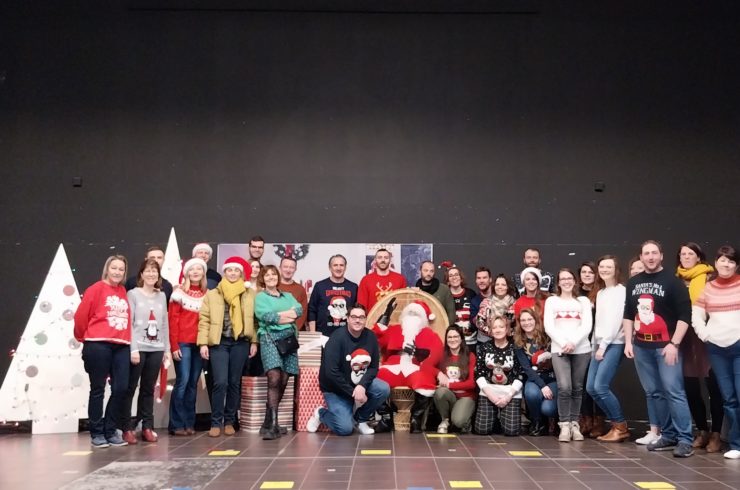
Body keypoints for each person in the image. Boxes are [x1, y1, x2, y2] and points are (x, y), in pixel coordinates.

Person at [623, 240, 694, 458]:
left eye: (654, 253)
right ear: (641, 257)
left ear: (661, 256)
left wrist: (674, 343)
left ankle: (685, 439)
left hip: (666, 348)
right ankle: (668, 435)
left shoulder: (673, 282)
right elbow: (628, 314)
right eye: (646, 253)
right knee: (654, 392)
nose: (651, 257)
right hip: (641, 347)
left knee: (674, 392)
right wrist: (628, 342)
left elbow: (685, 316)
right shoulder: (633, 282)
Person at [74, 255, 131, 448]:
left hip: (121, 345)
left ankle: (110, 429)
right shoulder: (95, 289)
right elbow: (81, 316)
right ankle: (97, 432)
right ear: (107, 269)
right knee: (98, 389)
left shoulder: (123, 290)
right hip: (98, 344)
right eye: (114, 268)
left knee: (121, 388)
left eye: (121, 269)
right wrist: (83, 338)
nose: (117, 272)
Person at [306, 304, 390, 435]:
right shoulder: (336, 338)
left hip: (357, 382)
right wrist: (353, 392)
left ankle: (361, 419)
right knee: (344, 429)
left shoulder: (371, 337)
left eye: (361, 317)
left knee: (383, 389)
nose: (358, 320)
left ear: (365, 319)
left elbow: (373, 367)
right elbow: (331, 373)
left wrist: (362, 386)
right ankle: (321, 414)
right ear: (347, 318)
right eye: (354, 317)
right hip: (336, 389)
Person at [198, 256, 257, 437]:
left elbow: (255, 321)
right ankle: (216, 422)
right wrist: (203, 343)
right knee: (220, 382)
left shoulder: (249, 294)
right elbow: (204, 320)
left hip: (240, 342)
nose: (232, 273)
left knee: (234, 383)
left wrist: (254, 341)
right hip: (219, 343)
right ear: (224, 272)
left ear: (241, 273)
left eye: (236, 270)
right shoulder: (212, 294)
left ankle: (230, 421)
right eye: (229, 270)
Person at [693, 245, 740, 459]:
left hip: (738, 347)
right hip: (717, 350)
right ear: (716, 263)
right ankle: (736, 445)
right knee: (728, 398)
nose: (726, 264)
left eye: (731, 261)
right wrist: (705, 335)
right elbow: (697, 315)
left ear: (736, 265)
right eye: (723, 260)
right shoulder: (709, 288)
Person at [676, 242, 723, 452]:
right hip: (684, 339)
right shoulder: (675, 280)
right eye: (683, 254)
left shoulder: (710, 278)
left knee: (714, 388)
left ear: (698, 257)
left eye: (690, 253)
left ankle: (716, 434)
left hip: (707, 338)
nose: (686, 257)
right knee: (691, 388)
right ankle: (702, 430)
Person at [373, 299, 444, 433]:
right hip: (393, 367)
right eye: (409, 313)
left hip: (415, 368)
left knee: (425, 381)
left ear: (423, 318)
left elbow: (436, 355)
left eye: (416, 314)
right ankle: (386, 416)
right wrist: (385, 316)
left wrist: (418, 354)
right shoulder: (394, 330)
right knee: (374, 378)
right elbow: (376, 337)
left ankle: (415, 419)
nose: (412, 317)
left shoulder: (429, 334)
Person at [122, 259, 170, 445]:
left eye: (154, 271)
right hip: (138, 348)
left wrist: (166, 349)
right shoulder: (133, 294)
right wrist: (133, 348)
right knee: (130, 388)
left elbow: (164, 324)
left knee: (148, 389)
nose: (151, 274)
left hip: (156, 348)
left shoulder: (162, 295)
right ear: (141, 274)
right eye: (148, 271)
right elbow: (130, 323)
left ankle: (147, 426)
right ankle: (126, 428)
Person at [544, 268, 593, 442]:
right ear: (558, 282)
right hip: (559, 349)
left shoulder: (583, 301)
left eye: (569, 278)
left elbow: (586, 326)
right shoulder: (552, 301)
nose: (566, 281)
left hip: (581, 349)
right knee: (564, 387)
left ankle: (574, 424)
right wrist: (564, 343)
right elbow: (549, 326)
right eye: (563, 279)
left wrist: (573, 342)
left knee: (577, 388)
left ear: (575, 281)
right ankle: (564, 425)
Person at [255, 265, 303, 440]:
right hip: (269, 339)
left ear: (278, 277)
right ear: (262, 278)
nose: (271, 277)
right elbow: (267, 316)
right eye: (267, 275)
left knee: (283, 380)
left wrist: (280, 316)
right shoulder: (260, 297)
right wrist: (286, 315)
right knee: (274, 378)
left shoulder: (288, 295)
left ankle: (268, 422)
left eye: (273, 274)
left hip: (289, 340)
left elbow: (298, 311)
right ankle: (273, 425)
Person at [586, 255, 629, 442]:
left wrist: (603, 346)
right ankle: (616, 424)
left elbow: (615, 322)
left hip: (613, 343)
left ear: (616, 269)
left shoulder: (621, 291)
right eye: (601, 266)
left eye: (608, 267)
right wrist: (595, 345)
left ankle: (620, 426)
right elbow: (599, 323)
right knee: (591, 387)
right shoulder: (601, 292)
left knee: (601, 386)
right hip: (599, 344)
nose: (604, 270)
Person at [168, 257, 208, 436]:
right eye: (192, 269)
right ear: (186, 273)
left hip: (199, 344)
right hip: (183, 343)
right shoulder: (179, 293)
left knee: (193, 383)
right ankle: (176, 424)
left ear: (203, 272)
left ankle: (189, 423)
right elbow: (173, 321)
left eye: (199, 269)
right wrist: (174, 345)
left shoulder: (207, 294)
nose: (195, 272)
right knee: (182, 382)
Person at [627, 255, 660, 445]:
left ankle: (668, 431)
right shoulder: (631, 291)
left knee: (664, 390)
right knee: (650, 390)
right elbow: (629, 316)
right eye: (633, 269)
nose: (636, 272)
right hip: (640, 345)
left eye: (639, 269)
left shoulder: (656, 292)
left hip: (660, 345)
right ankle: (654, 430)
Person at [474, 316, 524, 436]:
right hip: (489, 391)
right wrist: (491, 395)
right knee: (482, 430)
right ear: (490, 330)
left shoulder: (516, 347)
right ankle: (494, 419)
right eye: (494, 327)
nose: (498, 330)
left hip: (510, 392)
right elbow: (479, 373)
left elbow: (521, 374)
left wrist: (508, 396)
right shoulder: (484, 347)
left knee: (511, 431)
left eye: (501, 327)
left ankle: (503, 417)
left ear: (507, 329)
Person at [514, 308, 557, 436]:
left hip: (552, 378)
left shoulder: (547, 336)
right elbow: (526, 368)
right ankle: (537, 422)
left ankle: (554, 420)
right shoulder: (518, 341)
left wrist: (546, 385)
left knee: (548, 409)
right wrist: (542, 386)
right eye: (523, 320)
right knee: (531, 393)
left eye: (529, 319)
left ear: (536, 320)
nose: (527, 323)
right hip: (534, 378)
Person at [577, 261, 606, 438]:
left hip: (598, 344)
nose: (587, 275)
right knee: (582, 385)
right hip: (579, 344)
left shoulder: (601, 293)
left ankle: (599, 420)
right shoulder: (575, 294)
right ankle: (586, 419)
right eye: (584, 272)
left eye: (590, 272)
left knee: (596, 384)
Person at [434, 325, 477, 434]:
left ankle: (464, 422)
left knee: (458, 422)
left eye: (456, 336)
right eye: (450, 337)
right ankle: (445, 420)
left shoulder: (470, 356)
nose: (452, 340)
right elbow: (426, 366)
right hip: (450, 396)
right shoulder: (442, 354)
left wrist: (449, 385)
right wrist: (438, 373)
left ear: (461, 339)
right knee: (440, 392)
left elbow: (472, 384)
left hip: (466, 397)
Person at [307, 254, 358, 336]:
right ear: (330, 267)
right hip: (323, 335)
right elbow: (312, 310)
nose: (338, 268)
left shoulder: (353, 287)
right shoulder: (320, 286)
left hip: (347, 335)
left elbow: (357, 312)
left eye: (341, 265)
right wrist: (313, 333)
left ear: (345, 267)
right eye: (335, 265)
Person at [445, 266, 478, 346]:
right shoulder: (445, 296)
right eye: (451, 276)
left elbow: (476, 317)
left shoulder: (471, 294)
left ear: (461, 278)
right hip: (453, 342)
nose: (454, 277)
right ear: (448, 280)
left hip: (470, 341)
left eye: (456, 274)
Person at [416, 260, 455, 325]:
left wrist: (447, 329)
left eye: (431, 271)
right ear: (420, 271)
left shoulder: (444, 289)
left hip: (440, 328)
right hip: (421, 329)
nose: (428, 273)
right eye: (425, 270)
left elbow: (451, 314)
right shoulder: (415, 291)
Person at [278, 256, 308, 330]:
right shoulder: (273, 287)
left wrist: (293, 331)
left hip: (294, 332)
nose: (288, 270)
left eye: (291, 267)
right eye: (285, 267)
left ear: (295, 269)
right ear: (280, 268)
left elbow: (302, 314)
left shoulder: (300, 289)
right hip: (275, 331)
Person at [470, 267, 493, 342]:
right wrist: (480, 311)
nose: (481, 281)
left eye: (484, 278)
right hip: (483, 342)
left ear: (490, 279)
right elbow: (473, 324)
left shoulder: (499, 295)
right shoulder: (474, 301)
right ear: (476, 281)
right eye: (479, 278)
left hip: (501, 339)